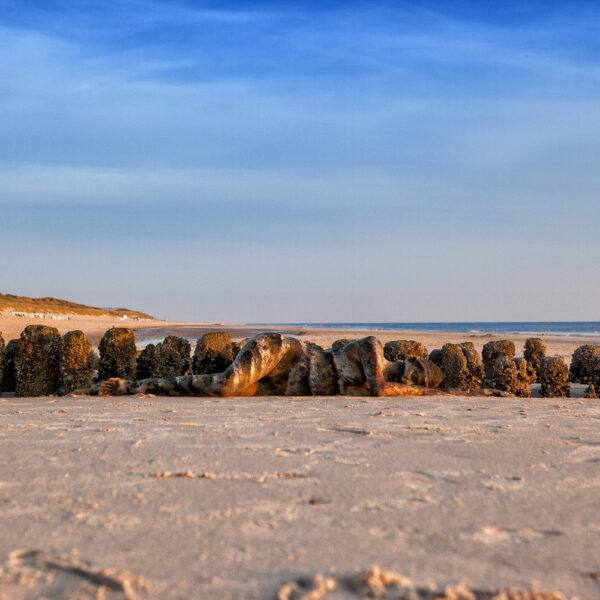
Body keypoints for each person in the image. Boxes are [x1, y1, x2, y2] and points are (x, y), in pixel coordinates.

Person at [95, 332, 444, 397]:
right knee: (227, 385)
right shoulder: (373, 348)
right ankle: (131, 386)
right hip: (281, 353)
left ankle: (131, 387)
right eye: (423, 374)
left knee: (218, 388)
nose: (419, 382)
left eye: (424, 383)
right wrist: (443, 395)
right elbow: (380, 390)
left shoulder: (363, 384)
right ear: (413, 361)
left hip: (285, 384)